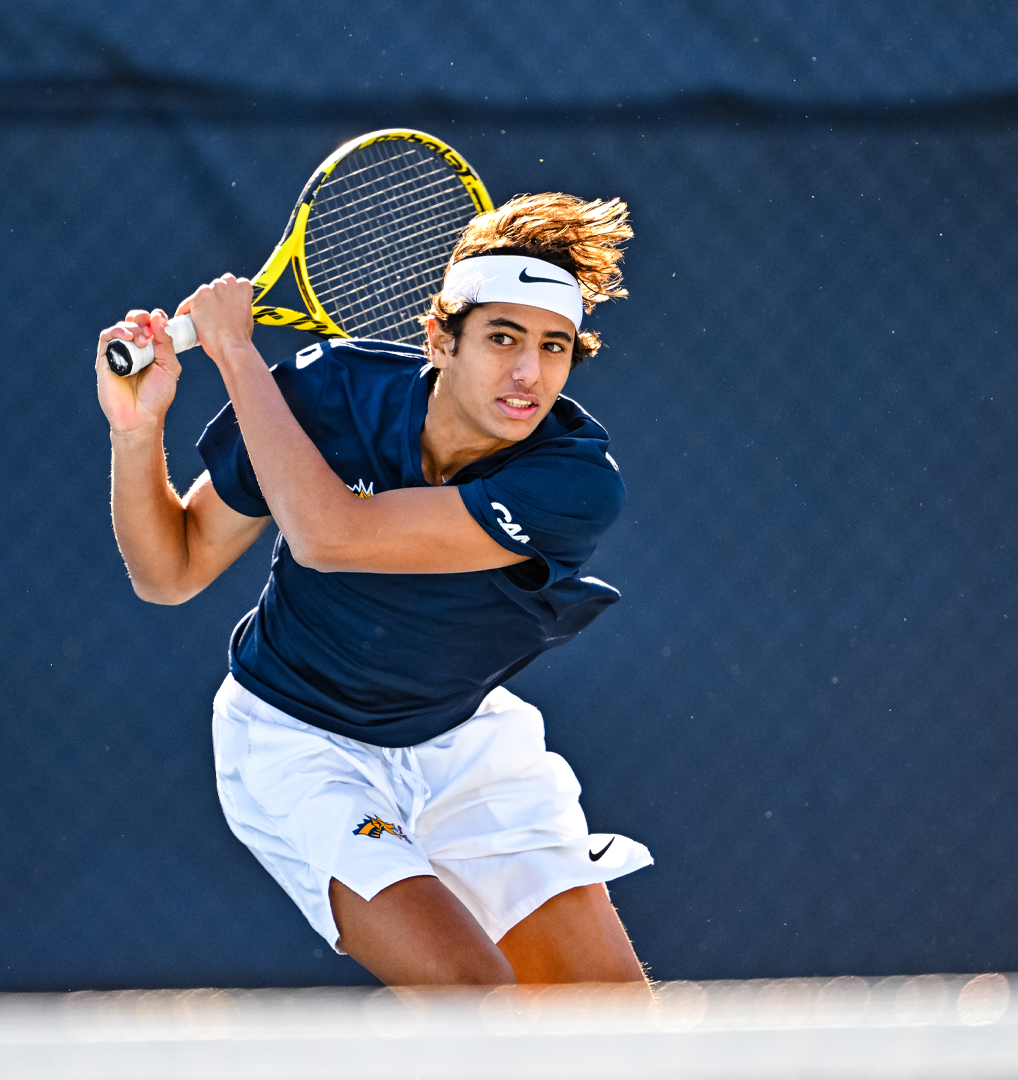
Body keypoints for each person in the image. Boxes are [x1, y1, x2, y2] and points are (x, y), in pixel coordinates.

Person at [93, 193, 650, 988]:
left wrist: (237, 356)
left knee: (616, 1025)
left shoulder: (574, 482)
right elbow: (169, 571)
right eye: (501, 338)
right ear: (438, 338)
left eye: (554, 346)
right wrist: (136, 428)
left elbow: (332, 539)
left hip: (461, 741)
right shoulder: (330, 397)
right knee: (475, 995)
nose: (529, 373)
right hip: (298, 742)